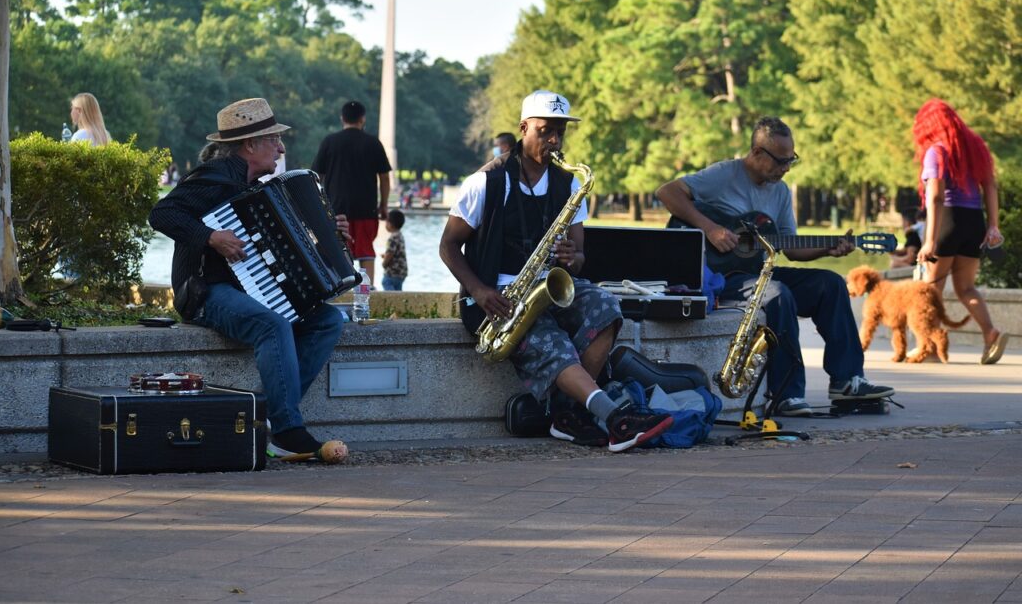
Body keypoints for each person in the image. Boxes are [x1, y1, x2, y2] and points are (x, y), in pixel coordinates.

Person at [439, 89, 674, 452]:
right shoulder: (486, 182)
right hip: (497, 298)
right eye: (546, 130)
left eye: (560, 132)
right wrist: (480, 291)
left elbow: (579, 257)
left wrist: (571, 257)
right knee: (553, 340)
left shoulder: (569, 183)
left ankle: (568, 415)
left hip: (547, 287)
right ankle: (615, 419)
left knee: (606, 306)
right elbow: (448, 246)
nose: (554, 140)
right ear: (523, 128)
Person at [149, 98, 348, 463]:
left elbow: (288, 247)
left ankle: (263, 419)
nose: (282, 147)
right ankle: (286, 430)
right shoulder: (214, 176)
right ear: (250, 145)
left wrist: (328, 237)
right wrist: (209, 237)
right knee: (272, 326)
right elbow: (162, 213)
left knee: (329, 320)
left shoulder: (259, 185)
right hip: (206, 291)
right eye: (274, 139)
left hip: (256, 288)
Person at [655, 116, 895, 416]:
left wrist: (829, 248)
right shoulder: (723, 174)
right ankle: (786, 394)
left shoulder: (780, 192)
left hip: (758, 273)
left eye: (791, 160)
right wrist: (710, 229)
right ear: (757, 153)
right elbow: (667, 192)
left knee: (830, 284)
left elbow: (790, 248)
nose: (786, 168)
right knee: (777, 293)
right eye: (781, 161)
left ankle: (847, 381)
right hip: (718, 277)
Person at [914, 98, 1008, 365]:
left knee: (930, 290)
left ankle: (930, 348)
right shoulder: (976, 146)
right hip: (974, 221)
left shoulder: (936, 151)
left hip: (948, 220)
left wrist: (929, 241)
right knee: (966, 288)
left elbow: (935, 198)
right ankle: (990, 333)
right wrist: (993, 226)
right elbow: (990, 186)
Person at [312, 100, 392, 283]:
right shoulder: (373, 143)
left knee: (338, 250)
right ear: (363, 119)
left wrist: (318, 205)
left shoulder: (329, 142)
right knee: (365, 252)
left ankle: (341, 290)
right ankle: (368, 292)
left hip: (336, 209)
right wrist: (384, 205)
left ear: (342, 118)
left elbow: (316, 176)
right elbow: (385, 177)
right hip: (366, 208)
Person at [381, 209, 408, 291]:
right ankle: (398, 302)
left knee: (385, 282)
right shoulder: (400, 235)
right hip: (401, 271)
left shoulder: (392, 238)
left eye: (386, 222)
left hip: (393, 272)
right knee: (398, 289)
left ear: (390, 224)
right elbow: (397, 252)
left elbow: (390, 253)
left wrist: (384, 263)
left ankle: (391, 301)